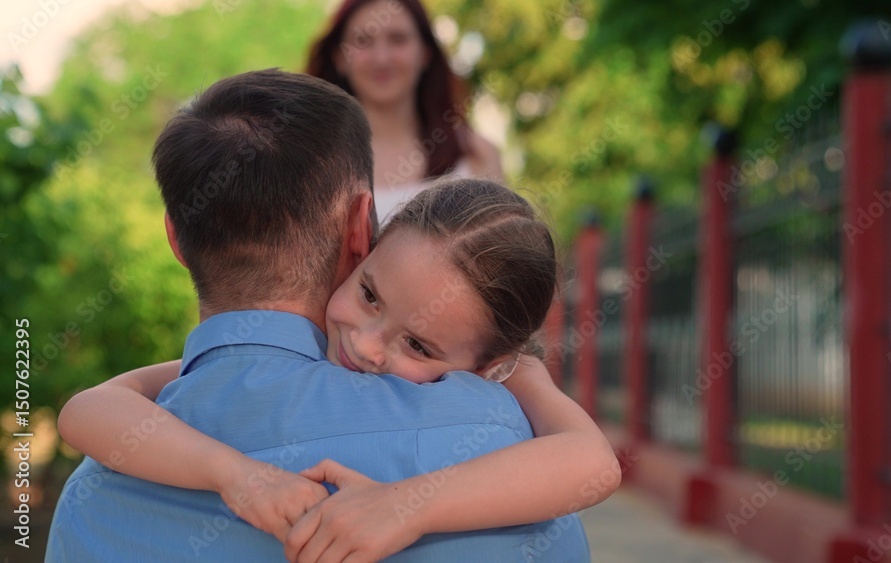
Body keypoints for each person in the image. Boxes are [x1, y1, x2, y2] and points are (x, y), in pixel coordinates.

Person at [46, 69, 617, 562]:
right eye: (369, 295)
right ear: (362, 234)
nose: (368, 346)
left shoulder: (94, 493)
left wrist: (406, 508)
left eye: (418, 346)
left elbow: (594, 463)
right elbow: (86, 410)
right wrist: (236, 476)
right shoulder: (498, 437)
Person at [305, 0, 503, 222]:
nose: (381, 59)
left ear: (425, 53)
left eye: (398, 39)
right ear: (339, 57)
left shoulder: (475, 155)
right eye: (363, 41)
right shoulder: (309, 162)